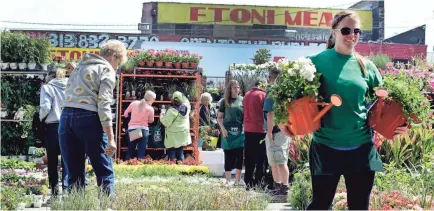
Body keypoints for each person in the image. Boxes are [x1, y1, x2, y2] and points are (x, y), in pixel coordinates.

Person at [277, 10, 408, 210]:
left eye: (357, 31)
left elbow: (387, 104)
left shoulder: (368, 67)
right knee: (320, 204)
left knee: (359, 206)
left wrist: (401, 125)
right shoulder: (316, 62)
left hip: (362, 148)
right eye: (346, 30)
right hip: (325, 148)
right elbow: (282, 93)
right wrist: (282, 119)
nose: (352, 35)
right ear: (334, 32)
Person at [59, 40, 127, 196]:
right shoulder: (106, 69)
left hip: (66, 117)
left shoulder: (80, 67)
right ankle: (107, 207)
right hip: (89, 118)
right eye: (118, 62)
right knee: (104, 172)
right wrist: (111, 138)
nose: (117, 67)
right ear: (113, 57)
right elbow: (103, 104)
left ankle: (76, 207)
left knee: (74, 175)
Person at [39, 68, 69, 196]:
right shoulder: (71, 86)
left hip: (53, 126)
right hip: (69, 125)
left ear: (50, 77)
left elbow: (45, 107)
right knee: (67, 159)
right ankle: (67, 188)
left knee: (52, 160)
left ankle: (55, 190)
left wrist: (41, 118)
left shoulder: (47, 88)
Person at [263, 68, 291, 201]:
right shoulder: (286, 92)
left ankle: (281, 190)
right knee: (279, 161)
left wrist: (269, 132)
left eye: (269, 77)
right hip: (283, 131)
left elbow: (270, 114)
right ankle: (282, 189)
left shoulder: (272, 92)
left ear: (272, 78)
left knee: (277, 162)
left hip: (275, 132)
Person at [217, 80, 245, 187]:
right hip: (227, 133)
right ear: (230, 89)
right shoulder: (224, 101)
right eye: (234, 87)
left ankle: (237, 180)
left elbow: (246, 117)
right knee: (228, 156)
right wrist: (223, 129)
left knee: (239, 156)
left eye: (238, 87)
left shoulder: (243, 100)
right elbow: (219, 118)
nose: (237, 89)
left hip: (240, 132)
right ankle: (228, 181)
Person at [242, 79, 268, 189]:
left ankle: (248, 181)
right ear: (262, 85)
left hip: (248, 129)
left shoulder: (246, 95)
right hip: (260, 130)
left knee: (249, 157)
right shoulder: (263, 95)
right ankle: (258, 182)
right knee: (261, 158)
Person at [123, 90, 156, 160]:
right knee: (141, 152)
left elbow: (125, 114)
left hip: (133, 129)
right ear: (151, 99)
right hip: (144, 130)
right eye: (154, 99)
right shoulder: (150, 109)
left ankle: (125, 166)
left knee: (130, 150)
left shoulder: (134, 103)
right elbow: (151, 121)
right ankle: (139, 167)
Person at [160, 91, 191, 162]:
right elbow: (187, 101)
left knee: (172, 154)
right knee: (180, 154)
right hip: (183, 134)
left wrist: (162, 112)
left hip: (172, 136)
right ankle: (181, 169)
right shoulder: (187, 108)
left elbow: (165, 122)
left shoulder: (171, 111)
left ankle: (173, 170)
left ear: (173, 100)